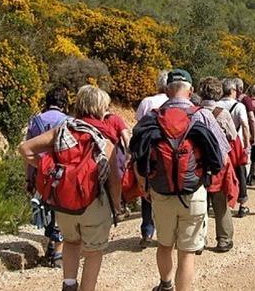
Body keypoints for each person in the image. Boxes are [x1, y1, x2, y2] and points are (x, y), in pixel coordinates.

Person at [130, 69, 228, 291]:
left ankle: (165, 285)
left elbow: (136, 156)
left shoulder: (152, 117)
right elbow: (222, 155)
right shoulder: (202, 115)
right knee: (187, 253)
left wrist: (143, 184)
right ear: (191, 90)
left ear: (166, 90)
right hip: (193, 193)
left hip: (161, 193)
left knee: (164, 245)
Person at [19, 85, 121, 291]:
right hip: (94, 202)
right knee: (93, 252)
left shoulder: (62, 130)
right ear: (100, 108)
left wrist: (49, 169)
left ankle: (69, 283)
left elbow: (25, 148)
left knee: (71, 243)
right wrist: (116, 206)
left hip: (64, 202)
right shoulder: (104, 139)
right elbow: (115, 179)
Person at [25, 86, 70, 268]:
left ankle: (50, 246)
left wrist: (29, 177)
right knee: (61, 211)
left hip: (40, 173)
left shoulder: (35, 122)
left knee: (45, 209)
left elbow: (27, 151)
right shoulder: (69, 121)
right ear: (64, 103)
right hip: (61, 174)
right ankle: (57, 254)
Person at [197, 76, 236, 253]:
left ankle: (199, 240)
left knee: (200, 204)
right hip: (219, 164)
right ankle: (224, 240)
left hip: (198, 165)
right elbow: (233, 137)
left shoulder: (194, 112)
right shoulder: (223, 113)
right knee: (221, 204)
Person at [80, 93, 132, 221]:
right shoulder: (114, 121)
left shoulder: (69, 125)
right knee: (116, 181)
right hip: (110, 158)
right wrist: (129, 155)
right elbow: (126, 138)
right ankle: (118, 208)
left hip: (74, 190)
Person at [135, 70, 169, 247]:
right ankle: (167, 232)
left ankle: (147, 231)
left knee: (147, 191)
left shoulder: (147, 102)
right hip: (169, 152)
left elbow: (138, 125)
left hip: (148, 152)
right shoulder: (174, 103)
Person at [218, 78, 251, 218]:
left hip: (220, 145)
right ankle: (242, 205)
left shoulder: (216, 105)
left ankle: (222, 200)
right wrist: (247, 143)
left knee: (221, 172)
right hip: (236, 144)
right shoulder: (239, 106)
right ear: (232, 90)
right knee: (240, 173)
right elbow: (244, 125)